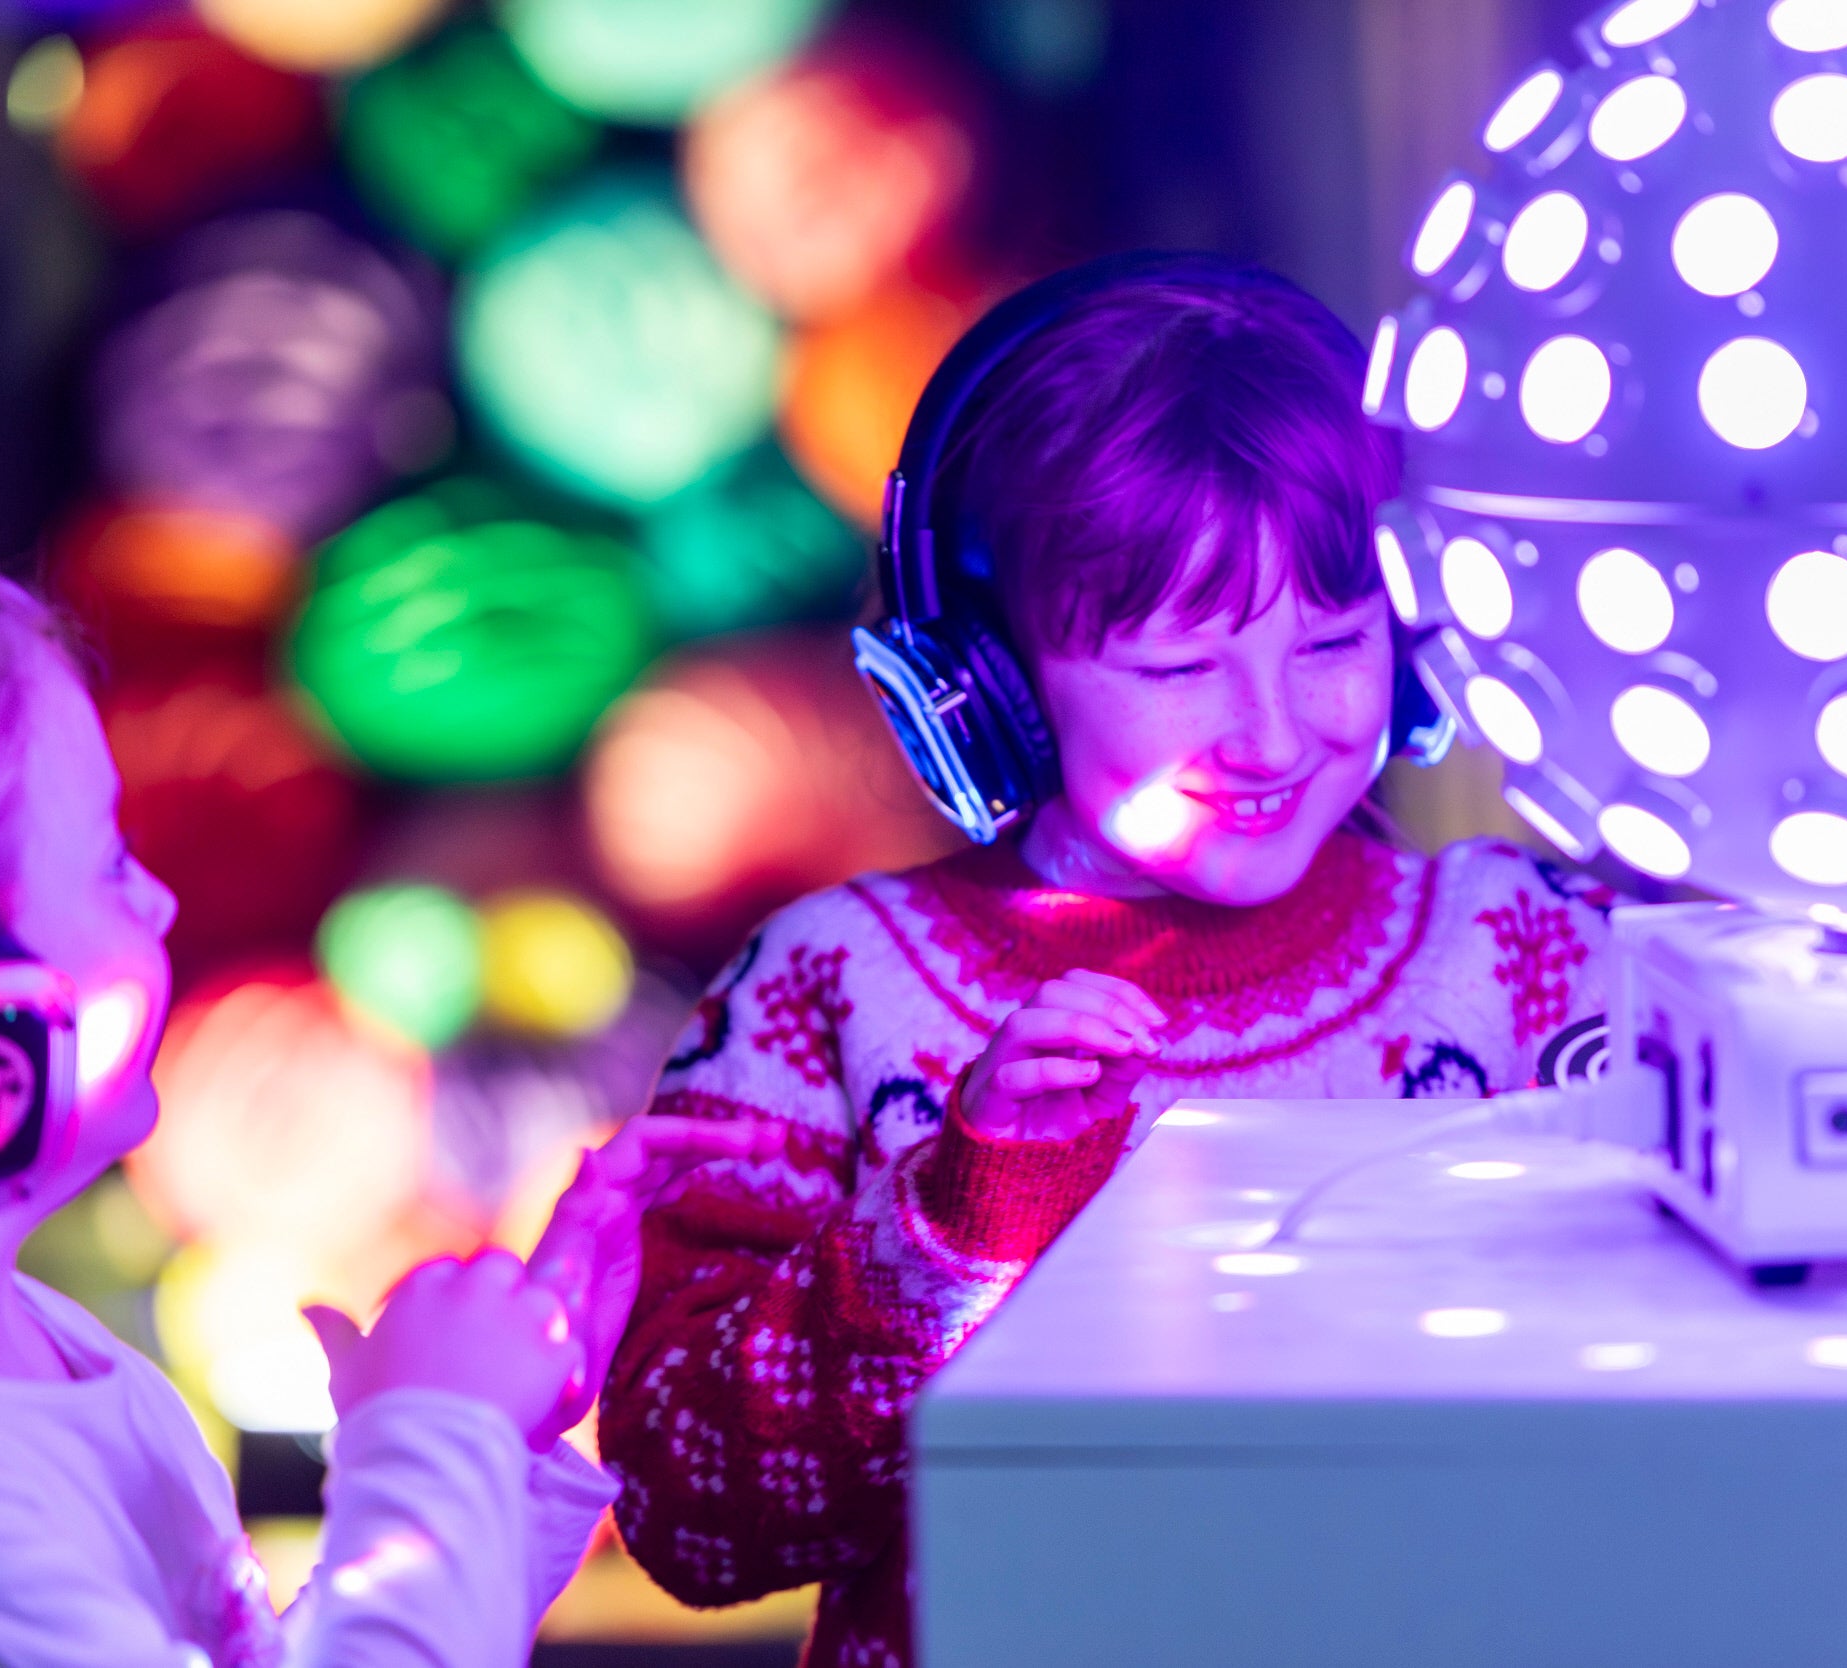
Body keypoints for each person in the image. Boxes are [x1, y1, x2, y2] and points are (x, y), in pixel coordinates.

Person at [597, 256, 1616, 1667]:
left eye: (1335, 641)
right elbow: (690, 1517)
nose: (1271, 733)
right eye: (1178, 667)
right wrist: (962, 1211)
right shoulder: (822, 989)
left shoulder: (1536, 954)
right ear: (990, 684)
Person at [0, 563, 778, 1667]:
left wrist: (506, 1449)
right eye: (110, 864)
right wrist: (432, 1439)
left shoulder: (36, 1347)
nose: (160, 900)